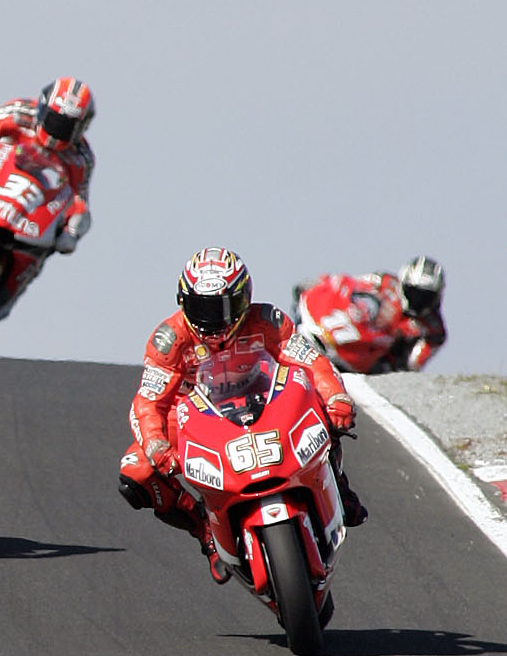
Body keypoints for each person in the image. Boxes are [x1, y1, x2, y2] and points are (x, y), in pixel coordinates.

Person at [119, 247, 365, 582]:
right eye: (201, 307)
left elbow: (312, 361)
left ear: (244, 298)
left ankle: (338, 483)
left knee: (327, 411)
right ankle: (203, 527)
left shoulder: (267, 321)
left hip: (264, 396)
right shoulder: (169, 339)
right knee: (137, 473)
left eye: (223, 307)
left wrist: (336, 397)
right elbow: (147, 401)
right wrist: (156, 445)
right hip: (194, 413)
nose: (212, 319)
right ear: (183, 301)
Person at [0, 78, 96, 253]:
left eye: (67, 127)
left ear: (81, 128)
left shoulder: (81, 158)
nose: (57, 130)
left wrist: (71, 232)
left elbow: (80, 202)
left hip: (28, 216)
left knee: (42, 252)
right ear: (42, 108)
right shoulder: (19, 112)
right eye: (53, 120)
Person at [293, 257, 447, 374]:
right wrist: (323, 284)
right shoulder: (384, 282)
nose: (418, 300)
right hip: (354, 327)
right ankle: (316, 328)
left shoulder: (433, 330)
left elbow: (412, 365)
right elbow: (350, 283)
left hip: (374, 361)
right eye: (415, 292)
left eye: (426, 296)